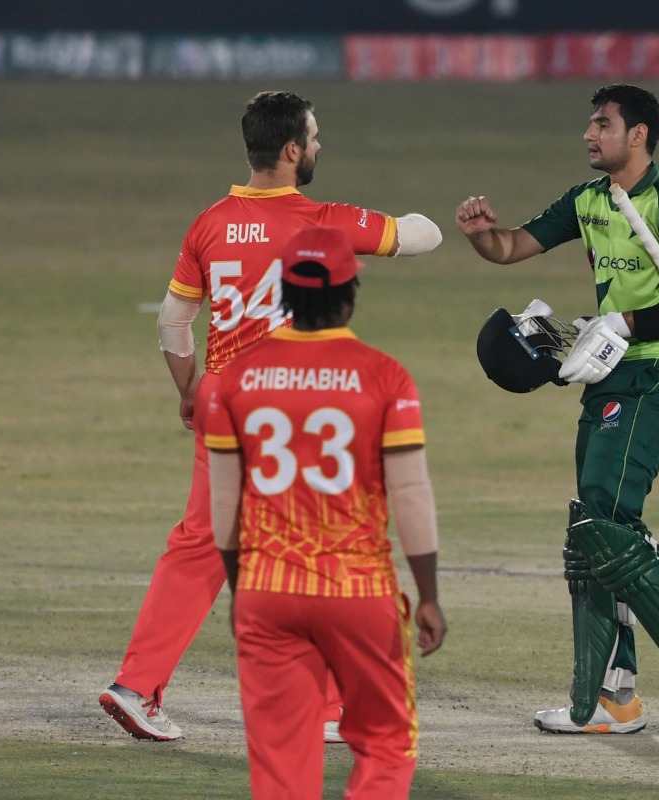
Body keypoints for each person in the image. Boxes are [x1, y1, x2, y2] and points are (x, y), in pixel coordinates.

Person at [98, 90, 443, 741]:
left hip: (225, 407)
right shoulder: (323, 222)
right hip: (298, 408)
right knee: (321, 544)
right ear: (291, 151)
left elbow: (175, 322)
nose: (318, 148)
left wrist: (188, 390)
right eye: (313, 139)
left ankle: (136, 685)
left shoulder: (208, 223)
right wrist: (409, 221)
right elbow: (422, 237)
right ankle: (329, 710)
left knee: (198, 546)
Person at [455, 83, 659, 733]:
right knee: (594, 525)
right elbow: (513, 248)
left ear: (638, 135)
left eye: (603, 123)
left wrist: (623, 322)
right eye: (590, 123)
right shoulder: (588, 201)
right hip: (609, 373)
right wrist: (484, 236)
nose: (590, 134)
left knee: (605, 510)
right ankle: (610, 700)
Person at [206, 225, 446, 798]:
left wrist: (245, 592)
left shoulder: (235, 377)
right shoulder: (385, 376)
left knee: (281, 766)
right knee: (386, 743)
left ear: (284, 293)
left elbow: (224, 502)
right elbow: (410, 492)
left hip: (267, 589)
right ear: (350, 292)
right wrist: (430, 595)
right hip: (358, 591)